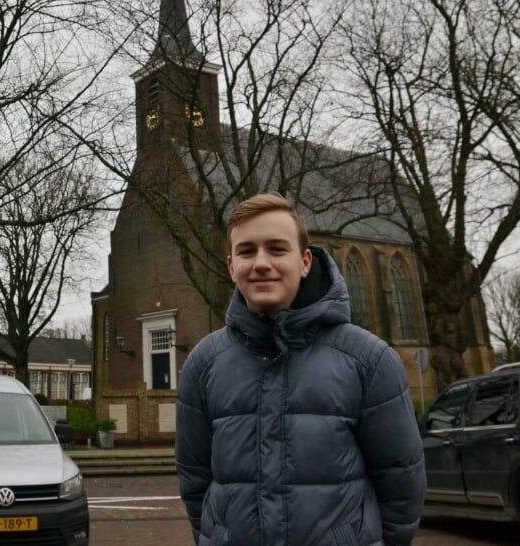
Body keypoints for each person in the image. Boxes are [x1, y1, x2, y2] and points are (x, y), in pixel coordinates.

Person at [176, 192, 425, 545]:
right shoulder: (203, 363)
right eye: (247, 251)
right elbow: (195, 478)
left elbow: (402, 485)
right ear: (232, 266)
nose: (261, 262)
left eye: (277, 249)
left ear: (306, 261)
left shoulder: (370, 360)